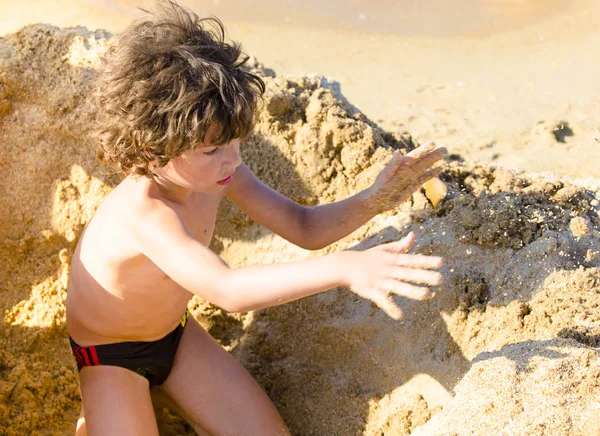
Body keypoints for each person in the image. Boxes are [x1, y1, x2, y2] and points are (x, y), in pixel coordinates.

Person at [65, 1, 446, 435]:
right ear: (155, 149)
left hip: (178, 337)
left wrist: (374, 199)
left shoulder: (219, 173)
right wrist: (345, 267)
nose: (232, 160)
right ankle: (101, 415)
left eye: (235, 141)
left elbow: (304, 228)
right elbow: (228, 291)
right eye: (212, 150)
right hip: (111, 356)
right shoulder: (145, 213)